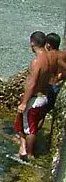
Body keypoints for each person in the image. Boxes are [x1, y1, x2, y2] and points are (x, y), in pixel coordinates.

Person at [13, 31, 54, 161]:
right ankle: (25, 149)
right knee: (32, 126)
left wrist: (24, 102)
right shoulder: (49, 58)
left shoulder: (37, 61)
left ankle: (29, 156)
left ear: (32, 42)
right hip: (44, 96)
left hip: (34, 99)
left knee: (29, 129)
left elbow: (32, 83)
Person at [45, 32, 64, 106]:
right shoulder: (63, 54)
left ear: (48, 45)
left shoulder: (49, 55)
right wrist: (61, 76)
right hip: (59, 84)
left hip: (50, 85)